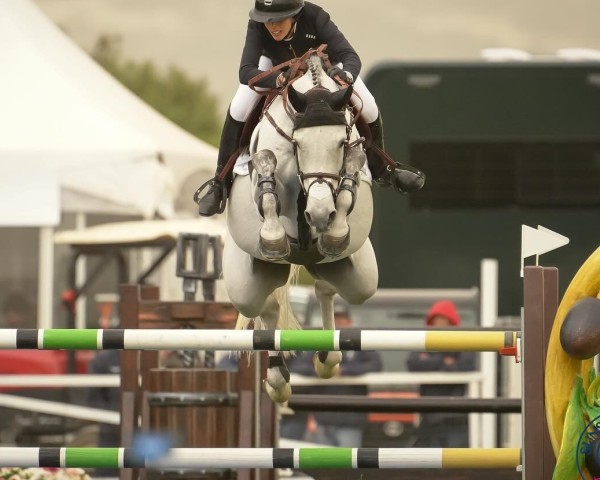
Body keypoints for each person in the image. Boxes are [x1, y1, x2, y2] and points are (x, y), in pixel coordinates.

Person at [196, 0, 425, 216]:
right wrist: (277, 79)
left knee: (371, 107)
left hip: (325, 68)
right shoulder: (257, 24)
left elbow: (349, 55)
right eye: (267, 20)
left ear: (294, 15)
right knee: (238, 107)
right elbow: (246, 71)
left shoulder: (315, 16)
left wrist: (346, 74)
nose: (272, 26)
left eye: (278, 20)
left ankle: (381, 168)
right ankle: (220, 182)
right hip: (276, 67)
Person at [292, 301, 383, 447]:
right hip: (323, 419)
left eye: (342, 319)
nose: (339, 323)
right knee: (324, 465)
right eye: (334, 320)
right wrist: (322, 371)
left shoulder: (360, 343)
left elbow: (375, 365)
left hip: (350, 420)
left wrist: (345, 371)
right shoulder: (319, 343)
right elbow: (298, 366)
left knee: (348, 463)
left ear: (350, 321)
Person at [406, 300, 476, 447]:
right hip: (430, 412)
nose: (438, 325)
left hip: (455, 413)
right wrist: (444, 361)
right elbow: (413, 363)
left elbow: (467, 365)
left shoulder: (464, 341)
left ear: (452, 323)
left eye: (443, 321)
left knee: (457, 461)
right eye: (435, 321)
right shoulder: (423, 341)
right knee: (429, 462)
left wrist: (431, 361)